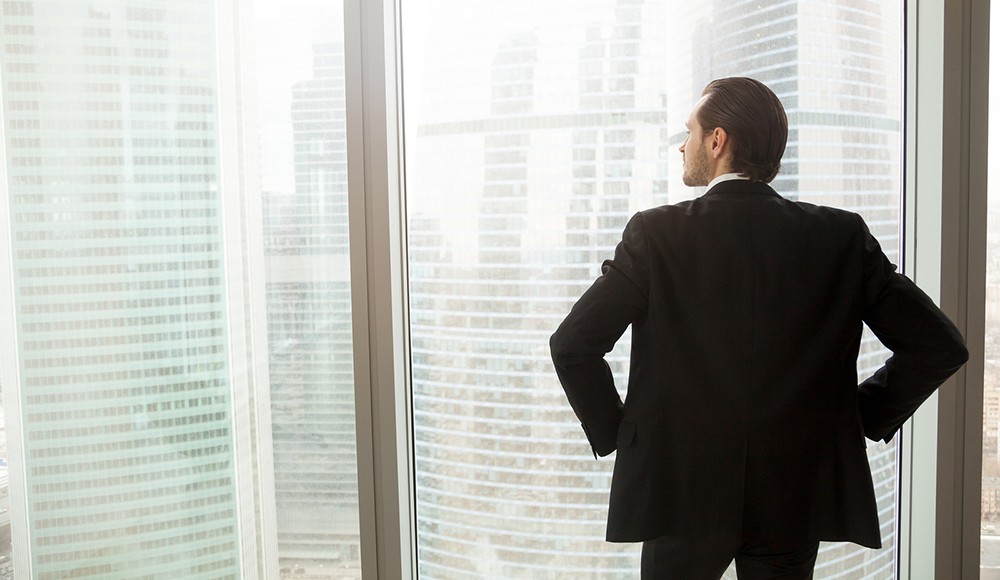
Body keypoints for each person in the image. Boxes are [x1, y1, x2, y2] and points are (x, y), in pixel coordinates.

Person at [548, 77, 969, 580]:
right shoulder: (840, 237)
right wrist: (855, 415)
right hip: (793, 493)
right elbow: (938, 347)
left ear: (717, 140)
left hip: (680, 489)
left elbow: (572, 346)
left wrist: (622, 433)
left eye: (689, 132)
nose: (682, 146)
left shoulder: (656, 234)